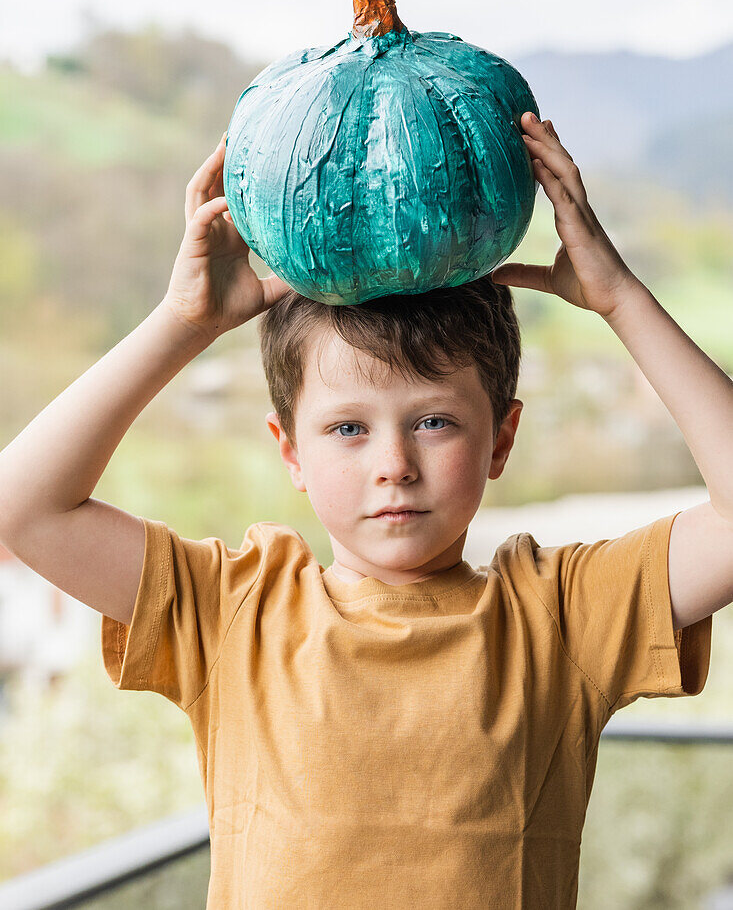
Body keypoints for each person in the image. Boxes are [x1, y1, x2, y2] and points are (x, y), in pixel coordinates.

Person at [0, 112, 730, 909]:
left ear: (500, 438)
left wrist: (621, 299)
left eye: (434, 422)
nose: (393, 466)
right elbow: (25, 506)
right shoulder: (232, 609)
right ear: (290, 452)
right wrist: (183, 325)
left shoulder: (559, 616)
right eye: (347, 428)